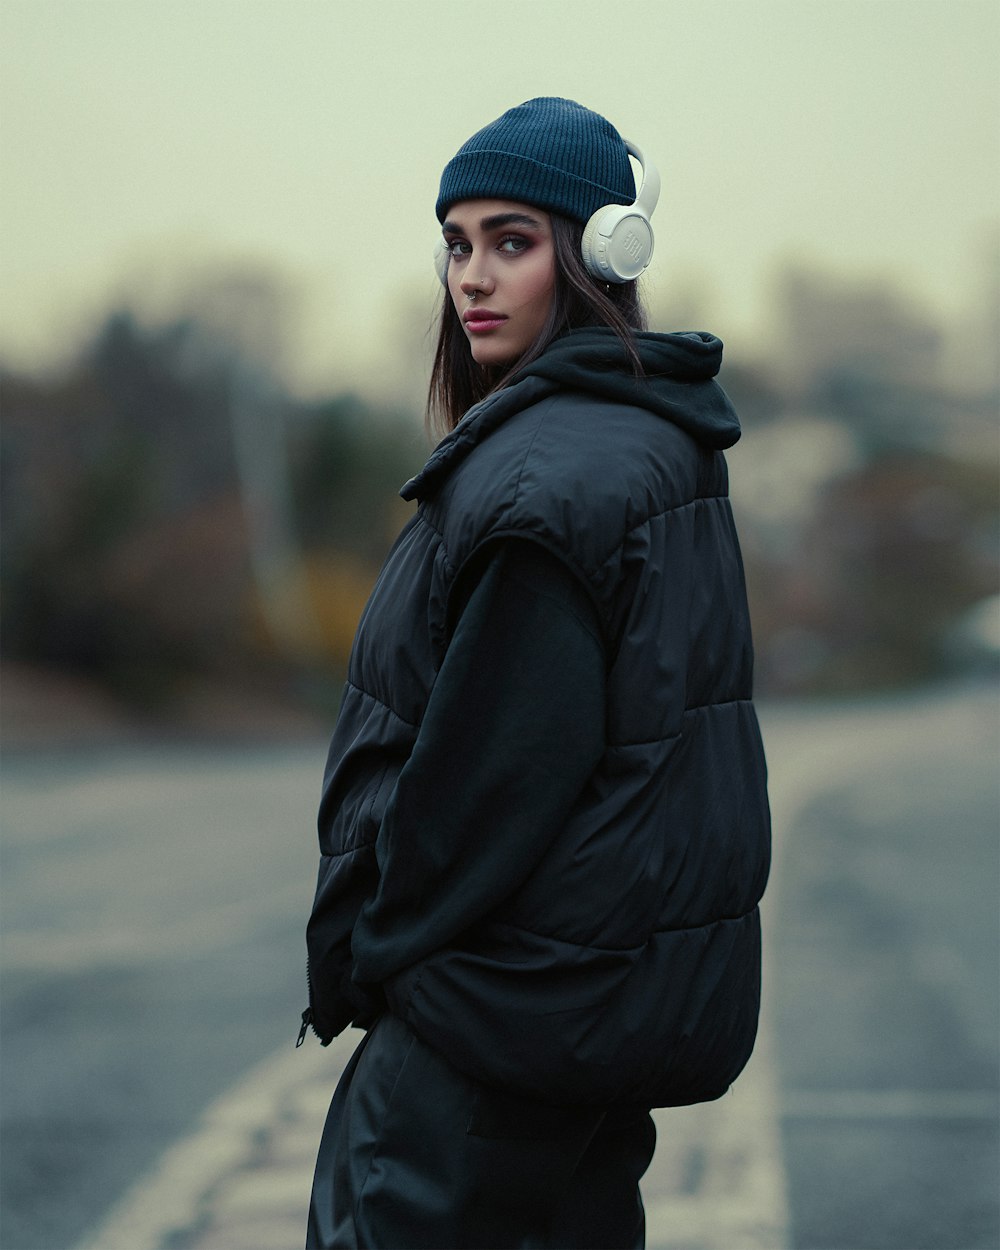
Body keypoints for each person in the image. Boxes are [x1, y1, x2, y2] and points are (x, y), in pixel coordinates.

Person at [301, 97, 771, 1250]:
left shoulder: (545, 482)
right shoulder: (646, 440)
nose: (472, 276)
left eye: (512, 241)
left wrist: (377, 952)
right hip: (579, 1009)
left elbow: (490, 777)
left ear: (601, 251)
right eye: (456, 244)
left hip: (490, 1021)